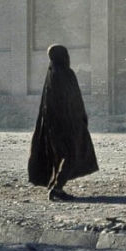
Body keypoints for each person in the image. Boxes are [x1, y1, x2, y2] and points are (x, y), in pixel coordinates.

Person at [28, 44, 99, 201]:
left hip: (53, 125)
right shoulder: (66, 73)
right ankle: (57, 188)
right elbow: (75, 98)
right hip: (68, 123)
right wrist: (81, 117)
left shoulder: (51, 73)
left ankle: (55, 184)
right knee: (71, 155)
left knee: (61, 155)